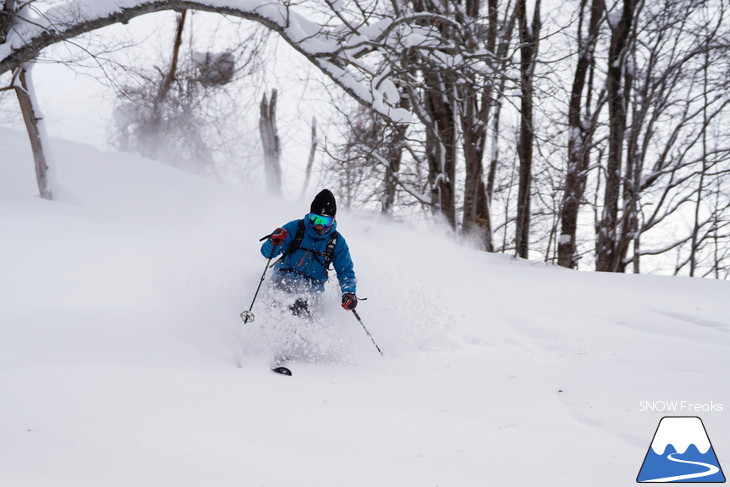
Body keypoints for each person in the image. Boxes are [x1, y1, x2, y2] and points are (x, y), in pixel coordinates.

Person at [260, 189, 358, 320]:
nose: (319, 225)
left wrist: (349, 293)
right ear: (310, 215)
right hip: (283, 278)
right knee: (277, 308)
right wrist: (273, 242)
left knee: (304, 315)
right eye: (315, 219)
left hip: (312, 288)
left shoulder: (336, 241)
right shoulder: (295, 228)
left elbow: (345, 271)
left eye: (325, 222)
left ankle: (303, 338)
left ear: (333, 220)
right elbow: (266, 253)